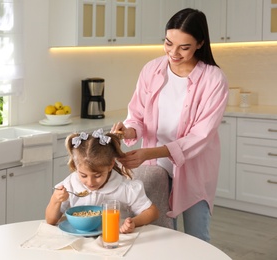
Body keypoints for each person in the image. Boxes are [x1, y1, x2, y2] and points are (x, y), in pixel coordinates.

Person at [111, 8, 228, 242]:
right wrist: (128, 130)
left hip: (195, 168)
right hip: (157, 168)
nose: (173, 52)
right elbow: (137, 115)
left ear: (200, 43)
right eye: (168, 43)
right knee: (162, 233)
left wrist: (151, 152)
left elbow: (201, 136)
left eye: (184, 47)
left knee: (197, 236)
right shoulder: (152, 69)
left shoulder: (214, 79)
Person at [45, 128, 159, 234]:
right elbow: (50, 220)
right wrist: (56, 200)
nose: (90, 182)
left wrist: (133, 222)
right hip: (79, 239)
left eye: (97, 175)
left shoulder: (123, 187)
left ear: (110, 165)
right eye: (83, 175)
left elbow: (152, 212)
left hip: (114, 239)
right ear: (75, 167)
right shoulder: (70, 185)